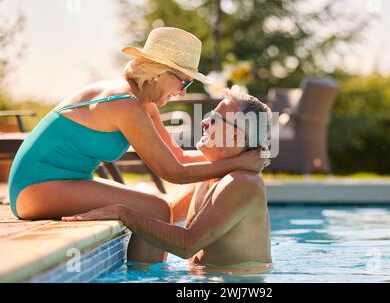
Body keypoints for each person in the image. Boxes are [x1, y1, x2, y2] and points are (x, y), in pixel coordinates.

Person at [8, 27, 267, 264]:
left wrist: (239, 160)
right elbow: (173, 172)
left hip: (68, 179)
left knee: (153, 206)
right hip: (35, 184)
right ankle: (145, 277)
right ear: (160, 73)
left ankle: (146, 272)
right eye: (184, 81)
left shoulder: (144, 104)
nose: (184, 92)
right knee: (155, 208)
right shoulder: (124, 103)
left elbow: (177, 157)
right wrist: (238, 163)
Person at [63, 88, 273, 267]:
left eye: (215, 119)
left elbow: (186, 245)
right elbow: (166, 212)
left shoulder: (243, 182)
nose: (205, 122)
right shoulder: (214, 171)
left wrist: (123, 212)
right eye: (209, 115)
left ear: (235, 136)